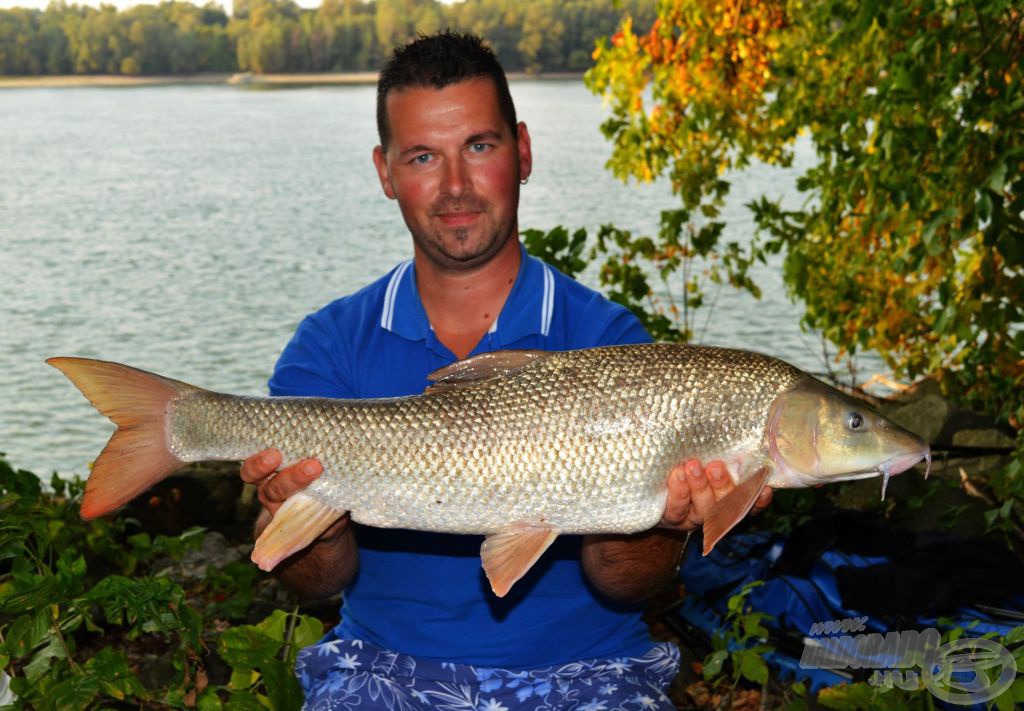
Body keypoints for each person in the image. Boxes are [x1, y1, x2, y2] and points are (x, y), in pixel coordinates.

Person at [239, 31, 772, 710]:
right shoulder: (331, 344)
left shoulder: (607, 343)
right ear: (385, 171)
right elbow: (316, 580)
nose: (455, 186)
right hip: (382, 667)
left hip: (590, 668)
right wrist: (308, 510)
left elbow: (622, 580)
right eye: (424, 156)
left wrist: (668, 519)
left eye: (480, 147)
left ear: (522, 151)